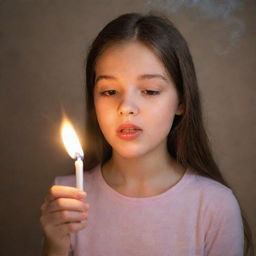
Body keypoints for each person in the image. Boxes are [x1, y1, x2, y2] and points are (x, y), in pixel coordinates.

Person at [40, 12, 252, 256]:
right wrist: (54, 246)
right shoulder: (66, 202)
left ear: (181, 101)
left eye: (150, 91)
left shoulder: (215, 205)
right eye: (109, 91)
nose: (126, 107)